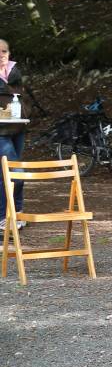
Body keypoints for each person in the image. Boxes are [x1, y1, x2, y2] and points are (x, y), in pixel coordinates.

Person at [1, 38, 25, 228]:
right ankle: (3, 217)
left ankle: (17, 213)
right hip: (0, 131)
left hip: (18, 128)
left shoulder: (15, 72)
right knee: (15, 172)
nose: (1, 55)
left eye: (4, 51)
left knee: (11, 172)